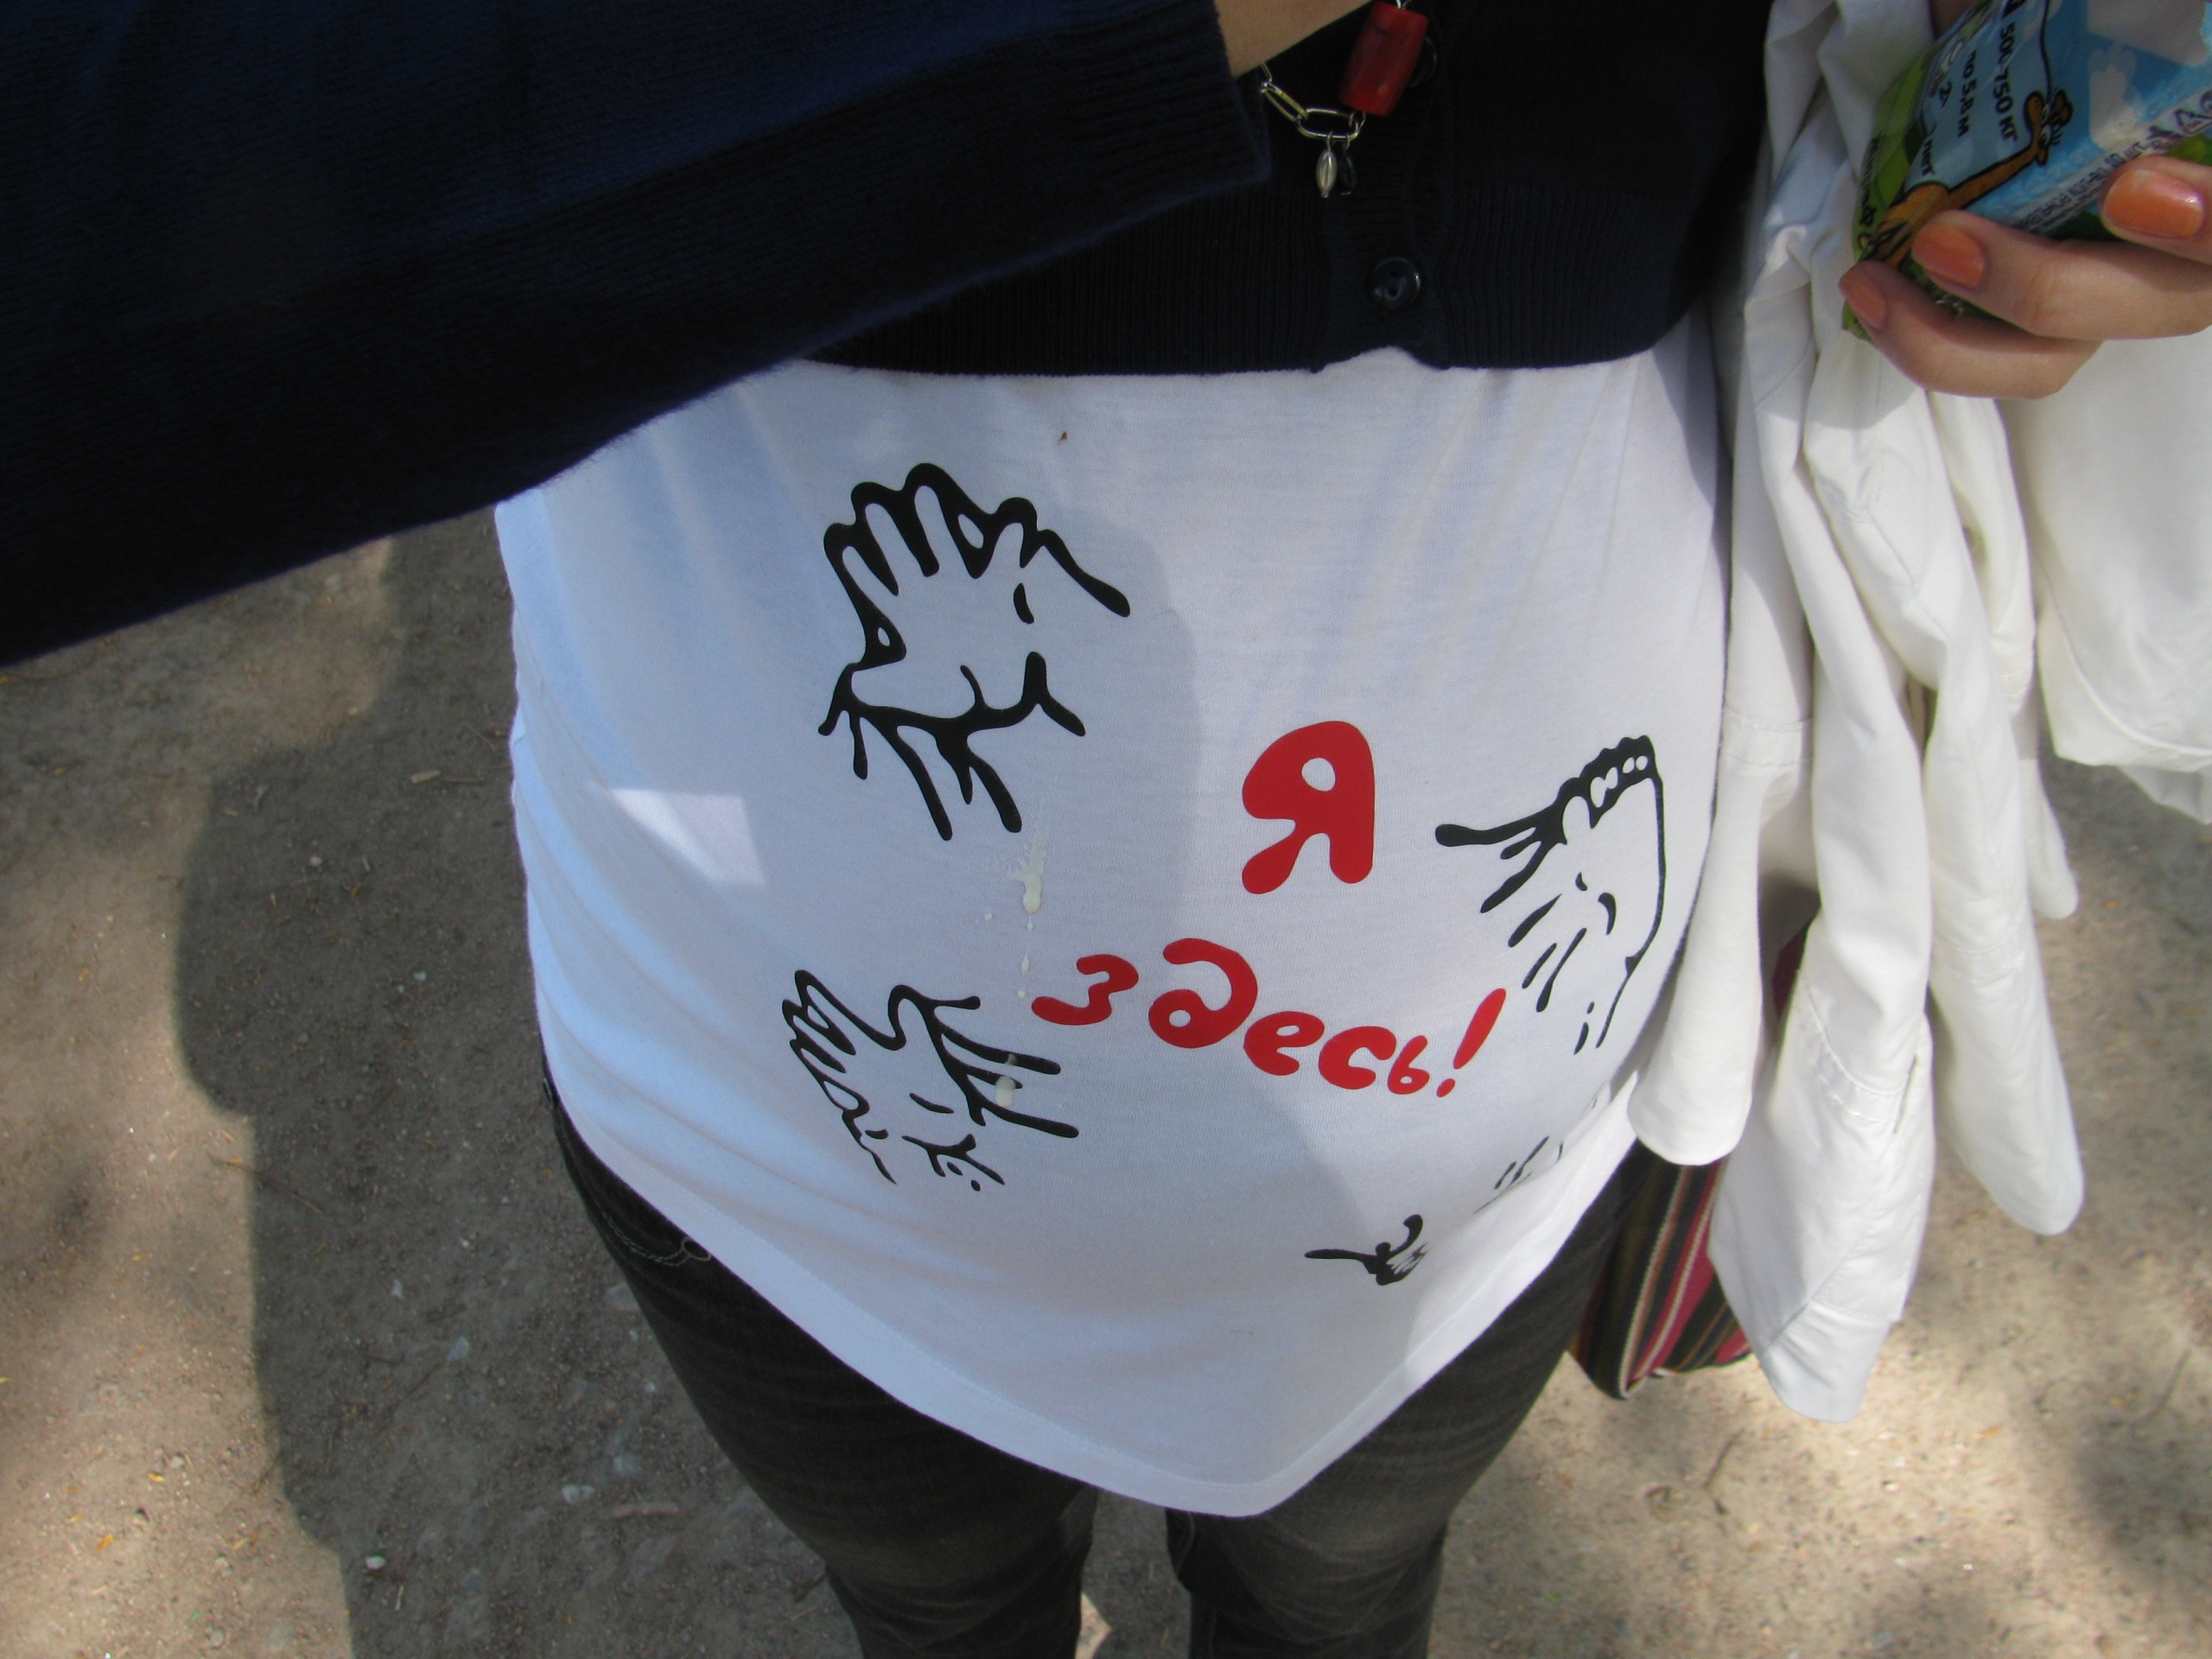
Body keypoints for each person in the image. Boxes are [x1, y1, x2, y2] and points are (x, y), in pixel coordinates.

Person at [7, 3, 2211, 1656]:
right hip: (785, 1182)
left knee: (1334, 1606)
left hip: (1453, 1216)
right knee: (932, 1609)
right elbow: (108, 238)